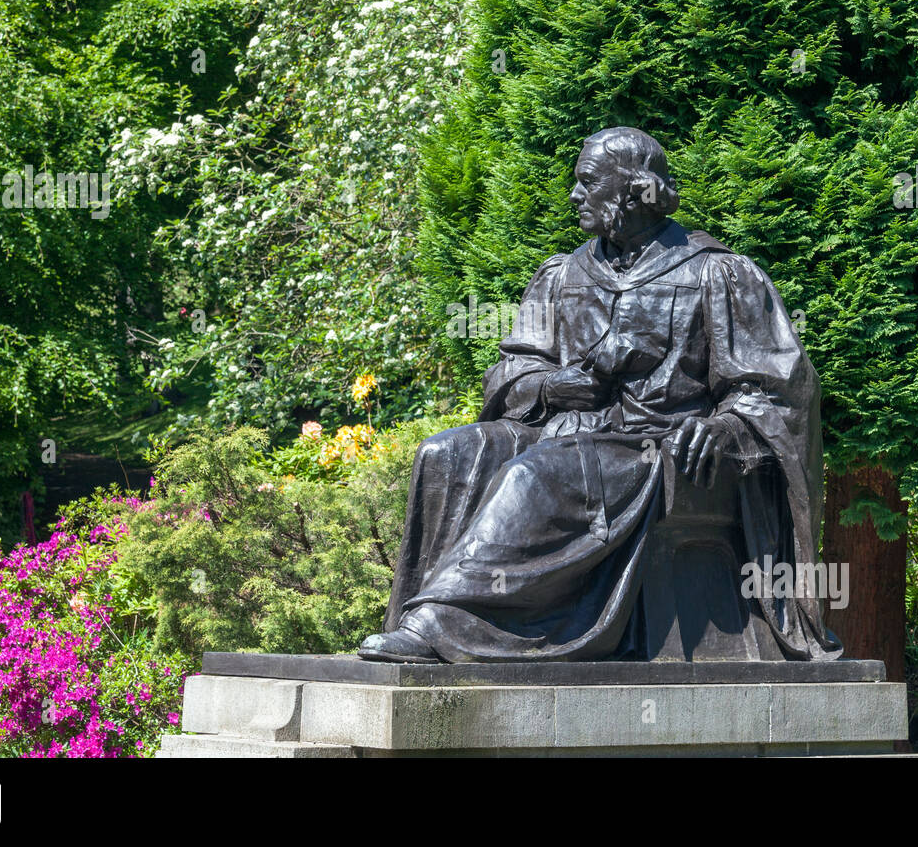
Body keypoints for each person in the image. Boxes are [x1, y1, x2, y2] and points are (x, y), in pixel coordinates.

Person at [358, 126, 842, 663]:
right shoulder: (561, 274)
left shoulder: (717, 273)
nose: (574, 196)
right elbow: (510, 373)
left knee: (534, 474)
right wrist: (553, 385)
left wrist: (723, 428)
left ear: (633, 189)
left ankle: (443, 626)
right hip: (563, 429)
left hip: (657, 445)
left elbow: (777, 391)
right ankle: (419, 616)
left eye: (587, 183)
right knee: (445, 453)